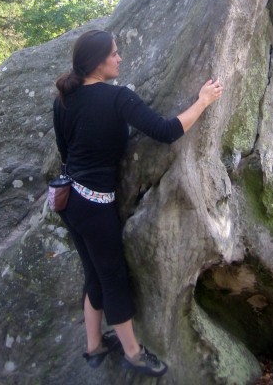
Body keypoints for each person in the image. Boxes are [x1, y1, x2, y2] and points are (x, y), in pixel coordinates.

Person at [53, 29, 223, 378]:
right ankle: (133, 353)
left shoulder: (63, 100)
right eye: (114, 53)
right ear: (98, 62)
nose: (120, 58)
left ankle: (94, 347)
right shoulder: (117, 99)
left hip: (69, 201)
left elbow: (64, 151)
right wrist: (203, 101)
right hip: (95, 204)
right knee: (113, 278)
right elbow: (165, 131)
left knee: (94, 275)